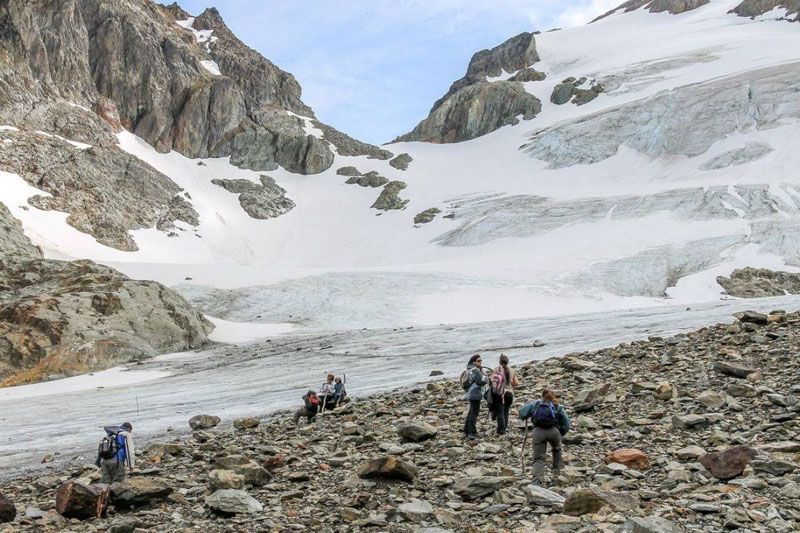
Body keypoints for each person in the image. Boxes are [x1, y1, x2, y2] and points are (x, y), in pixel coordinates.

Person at [520, 389, 570, 483]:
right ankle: (558, 474)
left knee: (539, 458)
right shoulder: (557, 406)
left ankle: (537, 479)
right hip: (554, 432)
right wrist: (561, 432)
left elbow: (522, 413)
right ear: (553, 396)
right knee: (557, 451)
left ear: (542, 396)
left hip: (538, 432)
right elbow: (566, 422)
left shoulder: (536, 404)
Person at [490, 354, 520, 435]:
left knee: (500, 411)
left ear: (499, 361)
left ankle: (501, 429)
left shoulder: (496, 369)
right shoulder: (511, 370)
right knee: (506, 411)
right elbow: (516, 383)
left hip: (499, 393)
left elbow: (492, 380)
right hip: (509, 393)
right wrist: (510, 384)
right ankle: (504, 428)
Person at [462, 354, 488, 439]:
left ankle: (466, 430)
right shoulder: (475, 370)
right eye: (478, 361)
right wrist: (486, 377)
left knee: (471, 412)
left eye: (481, 361)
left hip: (471, 393)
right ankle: (472, 432)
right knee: (474, 413)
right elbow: (481, 381)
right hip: (475, 393)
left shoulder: (469, 369)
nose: (480, 362)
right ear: (474, 362)